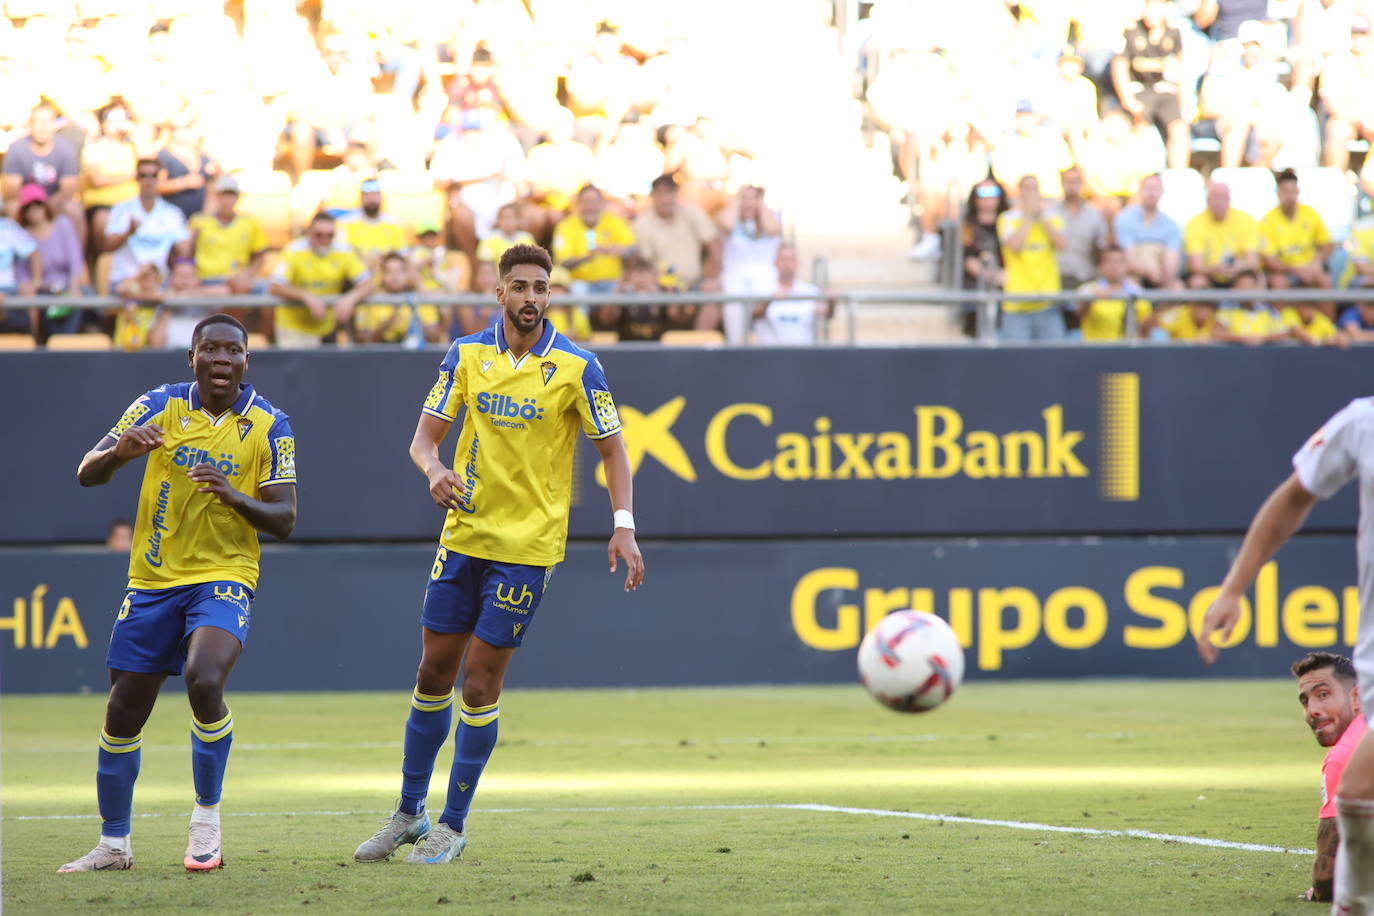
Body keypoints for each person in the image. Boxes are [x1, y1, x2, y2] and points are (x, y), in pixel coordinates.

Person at [350, 243, 643, 866]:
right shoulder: (466, 354)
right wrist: (434, 470)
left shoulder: (578, 366)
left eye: (541, 287)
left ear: (550, 294)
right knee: (432, 675)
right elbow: (423, 440)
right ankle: (408, 812)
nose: (531, 297)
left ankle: (452, 826)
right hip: (462, 538)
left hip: (527, 549)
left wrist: (624, 525)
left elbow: (614, 450)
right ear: (500, 291)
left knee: (480, 684)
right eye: (521, 286)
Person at [60, 314, 297, 873]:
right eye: (210, 349)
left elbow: (285, 517)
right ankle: (114, 845)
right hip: (153, 580)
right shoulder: (156, 405)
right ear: (191, 358)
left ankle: (206, 819)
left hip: (225, 574)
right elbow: (86, 472)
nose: (222, 359)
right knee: (123, 709)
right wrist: (120, 454)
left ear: (247, 361)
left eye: (233, 351)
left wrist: (234, 496)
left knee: (205, 678)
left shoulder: (271, 425)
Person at [1199, 397, 1374, 915]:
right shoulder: (1362, 421)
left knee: (1356, 787)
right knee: (1356, 791)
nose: (1312, 709)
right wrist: (1234, 587)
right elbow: (1296, 495)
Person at [1293, 652, 1366, 903]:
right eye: (1305, 701)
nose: (1312, 711)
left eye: (1323, 695)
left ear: (1356, 697)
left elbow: (1328, 878)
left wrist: (1320, 891)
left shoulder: (1347, 755)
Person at [268, 212, 376, 348]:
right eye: (319, 235)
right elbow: (274, 286)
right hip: (294, 328)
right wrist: (306, 296)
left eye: (330, 235)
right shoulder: (294, 250)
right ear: (309, 233)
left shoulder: (344, 251)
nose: (324, 240)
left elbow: (368, 283)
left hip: (327, 327)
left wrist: (351, 298)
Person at [1112, 0, 1191, 169]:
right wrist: (1127, 99)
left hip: (1163, 88)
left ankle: (1178, 174)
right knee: (1139, 126)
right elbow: (1119, 66)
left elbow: (1181, 66)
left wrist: (1184, 98)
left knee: (1179, 128)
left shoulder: (1173, 31)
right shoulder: (1131, 30)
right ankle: (1139, 174)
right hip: (1138, 89)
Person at [997, 174, 1067, 341]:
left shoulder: (1052, 217)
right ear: (1019, 192)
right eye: (1027, 188)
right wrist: (1028, 216)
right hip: (1017, 305)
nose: (1031, 193)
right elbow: (1015, 245)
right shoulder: (1007, 218)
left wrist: (1041, 216)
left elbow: (1062, 244)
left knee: (1054, 355)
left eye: (1035, 188)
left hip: (1047, 303)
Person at [104, 158, 191, 291]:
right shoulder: (121, 209)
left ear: (160, 178)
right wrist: (128, 232)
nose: (148, 181)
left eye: (153, 176)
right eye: (143, 176)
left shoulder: (173, 213)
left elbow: (184, 250)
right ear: (136, 178)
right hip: (126, 282)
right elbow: (108, 246)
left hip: (160, 284)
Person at [2, 101, 82, 233]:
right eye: (38, 121)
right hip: (26, 202)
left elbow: (68, 189)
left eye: (48, 121)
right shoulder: (17, 149)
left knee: (74, 209)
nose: (43, 127)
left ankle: (75, 247)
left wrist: (48, 206)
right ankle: (16, 245)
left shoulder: (66, 148)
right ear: (30, 124)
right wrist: (32, 206)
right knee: (12, 207)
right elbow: (12, 191)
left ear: (55, 124)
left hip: (55, 201)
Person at [632, 174, 719, 293]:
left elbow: (713, 244)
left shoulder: (692, 213)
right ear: (653, 196)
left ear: (676, 194)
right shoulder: (642, 223)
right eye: (660, 194)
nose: (665, 199)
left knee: (713, 294)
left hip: (696, 283)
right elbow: (644, 261)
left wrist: (712, 278)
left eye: (669, 193)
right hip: (661, 287)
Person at [718, 185, 782, 344]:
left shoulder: (771, 217)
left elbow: (772, 229)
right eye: (744, 198)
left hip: (765, 278)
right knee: (734, 318)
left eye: (753, 198)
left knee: (766, 321)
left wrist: (759, 204)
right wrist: (737, 201)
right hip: (735, 278)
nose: (748, 202)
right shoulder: (730, 217)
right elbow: (726, 224)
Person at [551, 184, 634, 300]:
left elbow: (634, 249)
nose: (590, 207)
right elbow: (562, 262)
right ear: (578, 203)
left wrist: (619, 250)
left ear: (601, 203)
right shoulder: (565, 226)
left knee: (629, 290)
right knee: (577, 290)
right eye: (586, 201)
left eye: (594, 201)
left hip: (613, 281)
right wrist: (586, 257)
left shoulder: (614, 222)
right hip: (580, 282)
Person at [188, 176, 267, 294]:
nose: (227, 200)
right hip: (206, 278)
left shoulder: (250, 223)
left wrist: (247, 274)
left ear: (237, 197)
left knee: (266, 287)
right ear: (216, 197)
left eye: (231, 195)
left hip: (238, 280)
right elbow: (186, 253)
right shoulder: (199, 221)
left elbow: (259, 257)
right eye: (223, 195)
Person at [1260, 170, 1333, 296]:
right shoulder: (1268, 220)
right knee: (1278, 283)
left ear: (1298, 192)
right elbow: (1270, 261)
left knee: (1325, 281)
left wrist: (1317, 261)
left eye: (1293, 191)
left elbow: (1327, 244)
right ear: (1278, 193)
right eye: (1286, 192)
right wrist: (1296, 270)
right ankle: (1282, 310)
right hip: (1284, 272)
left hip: (1310, 269)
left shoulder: (1310, 213)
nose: (1290, 197)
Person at [354, 251, 445, 346]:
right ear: (382, 274)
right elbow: (361, 340)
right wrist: (385, 327)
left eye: (400, 271)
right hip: (381, 353)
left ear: (407, 274)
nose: (395, 277)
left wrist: (416, 324)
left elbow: (435, 338)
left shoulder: (419, 300)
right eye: (390, 272)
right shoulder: (371, 301)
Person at [1184, 182, 1260, 289]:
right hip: (1209, 276)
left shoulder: (1246, 220)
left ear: (1229, 199)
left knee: (1250, 280)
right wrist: (1215, 269)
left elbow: (1253, 262)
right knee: (1197, 281)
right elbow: (1195, 265)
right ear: (1207, 200)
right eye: (1215, 197)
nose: (1219, 202)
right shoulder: (1195, 223)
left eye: (1223, 197)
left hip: (1238, 275)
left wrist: (1239, 266)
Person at [1114, 173, 1183, 290]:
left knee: (1177, 289)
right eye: (1148, 188)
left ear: (1162, 192)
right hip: (1133, 275)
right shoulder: (1124, 218)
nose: (1152, 193)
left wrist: (1164, 276)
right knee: (1130, 287)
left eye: (1156, 189)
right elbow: (1128, 258)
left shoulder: (1171, 224)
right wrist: (1149, 272)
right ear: (1140, 191)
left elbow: (1171, 260)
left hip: (1161, 277)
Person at [753, 243, 830, 345]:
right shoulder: (763, 288)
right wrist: (770, 300)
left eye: (791, 259)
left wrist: (831, 300)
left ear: (798, 263)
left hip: (803, 351)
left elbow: (827, 312)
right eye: (784, 259)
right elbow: (754, 314)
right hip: (771, 352)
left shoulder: (810, 291)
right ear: (775, 262)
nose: (787, 264)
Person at [961, 177, 1009, 338]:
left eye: (993, 192)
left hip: (1008, 283)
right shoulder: (968, 225)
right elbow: (967, 257)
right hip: (977, 286)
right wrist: (993, 276)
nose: (988, 198)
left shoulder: (1009, 221)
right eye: (983, 193)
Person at [1076, 246, 1153, 341]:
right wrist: (1091, 299)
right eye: (1109, 262)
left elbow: (1145, 327)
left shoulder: (1137, 291)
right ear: (1100, 266)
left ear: (1126, 266)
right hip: (1096, 347)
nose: (1114, 266)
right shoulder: (1088, 289)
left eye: (1119, 262)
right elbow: (1078, 316)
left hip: (1127, 348)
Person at [1054, 167, 1108, 294]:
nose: (1071, 186)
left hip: (1085, 277)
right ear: (1062, 183)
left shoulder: (1094, 215)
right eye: (1068, 181)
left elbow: (1101, 248)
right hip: (1055, 278)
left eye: (1075, 181)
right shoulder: (1050, 212)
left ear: (1082, 184)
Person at [156, 112, 217, 221]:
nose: (183, 132)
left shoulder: (204, 156)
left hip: (200, 218)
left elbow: (214, 185)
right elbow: (156, 186)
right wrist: (183, 183)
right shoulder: (164, 156)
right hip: (172, 218)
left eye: (188, 127)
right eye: (178, 128)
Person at [339, 178, 409, 271]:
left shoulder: (394, 223)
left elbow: (403, 255)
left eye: (375, 194)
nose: (371, 199)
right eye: (367, 195)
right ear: (360, 197)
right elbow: (340, 254)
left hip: (386, 275)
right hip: (357, 274)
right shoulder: (346, 222)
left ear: (381, 197)